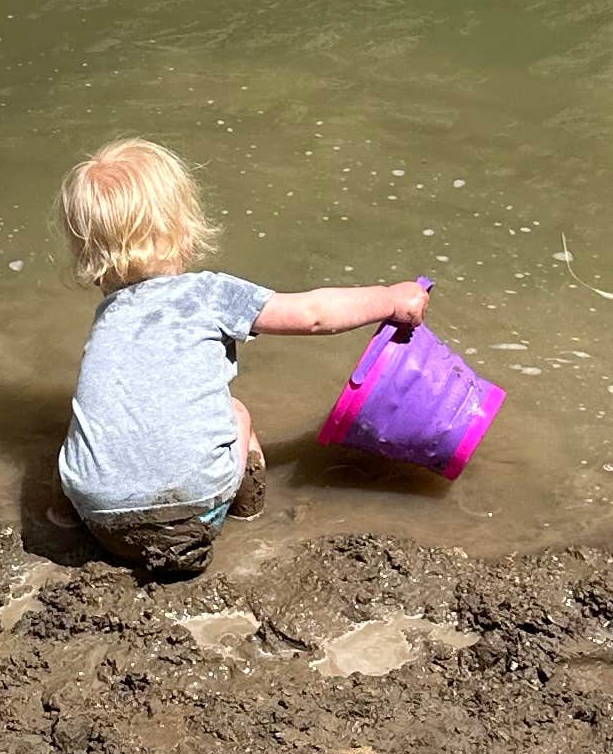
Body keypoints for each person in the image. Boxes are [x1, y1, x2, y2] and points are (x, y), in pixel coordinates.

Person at [54, 138, 431, 580]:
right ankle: (249, 514)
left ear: (84, 249)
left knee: (95, 419)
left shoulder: (109, 319)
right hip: (197, 509)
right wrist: (390, 299)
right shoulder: (209, 293)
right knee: (235, 412)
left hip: (101, 521)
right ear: (184, 227)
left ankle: (62, 516)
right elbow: (313, 316)